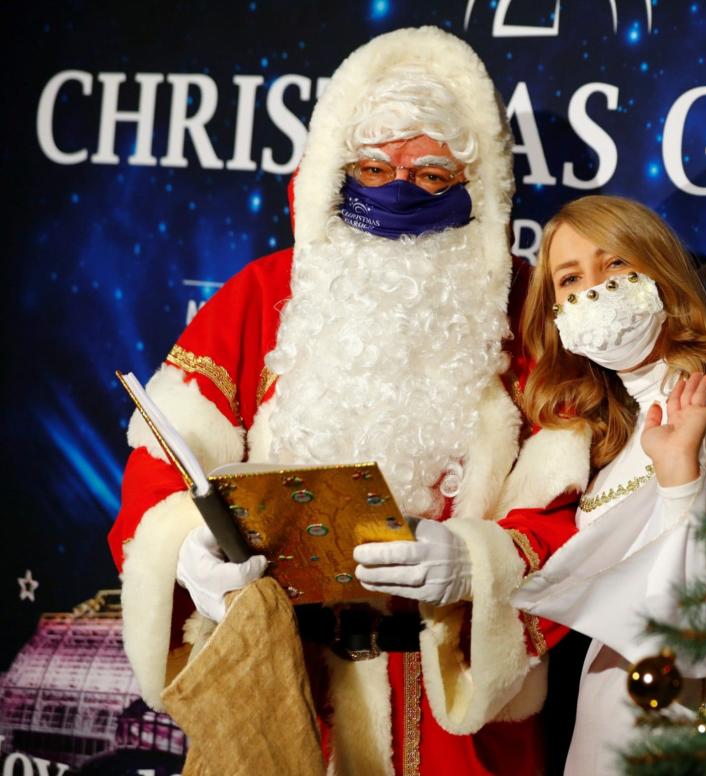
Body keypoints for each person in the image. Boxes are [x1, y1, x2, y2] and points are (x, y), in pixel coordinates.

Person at [108, 27, 585, 776]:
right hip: (281, 693)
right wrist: (188, 551)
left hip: (454, 714)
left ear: (476, 185)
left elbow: (577, 505)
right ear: (336, 172)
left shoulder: (524, 310)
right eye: (372, 167)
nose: (397, 188)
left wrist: (475, 564)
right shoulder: (263, 294)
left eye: (430, 174)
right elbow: (165, 460)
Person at [510, 195, 706, 773]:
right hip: (610, 714)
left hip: (689, 726)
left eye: (616, 265)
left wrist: (682, 477)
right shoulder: (610, 438)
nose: (595, 289)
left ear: (660, 274)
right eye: (570, 278)